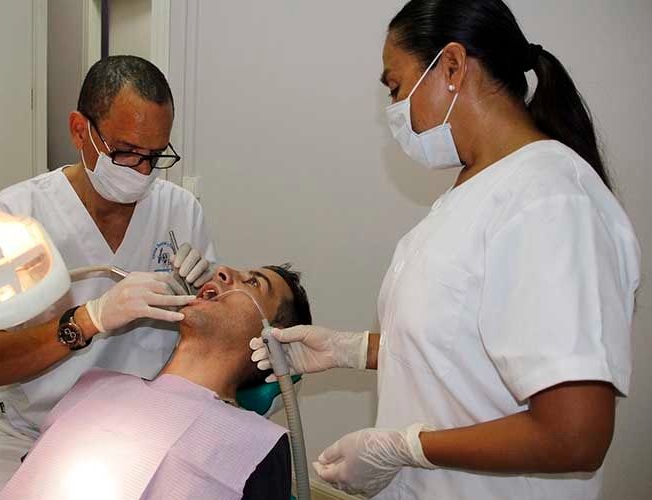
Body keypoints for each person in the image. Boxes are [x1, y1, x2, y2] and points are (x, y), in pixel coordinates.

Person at [251, 1, 640, 499]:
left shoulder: (549, 200)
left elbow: (574, 435)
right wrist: (351, 349)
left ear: (452, 67)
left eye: (396, 88)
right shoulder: (475, 192)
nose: (395, 111)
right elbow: (465, 347)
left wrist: (407, 447)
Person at [0, 56, 216, 499]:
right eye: (126, 151)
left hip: (149, 432)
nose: (143, 171)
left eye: (156, 155)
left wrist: (201, 304)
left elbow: (212, 342)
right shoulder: (17, 215)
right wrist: (86, 320)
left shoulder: (180, 210)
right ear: (79, 130)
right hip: (36, 433)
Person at [0, 264, 311, 500]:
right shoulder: (97, 385)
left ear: (274, 338)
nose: (222, 271)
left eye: (253, 282)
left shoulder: (256, 444)